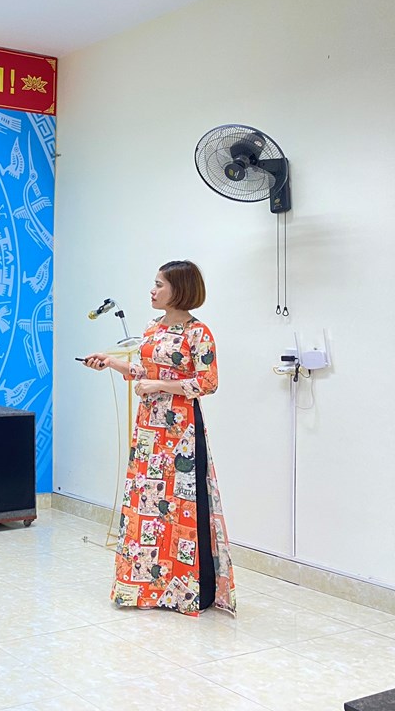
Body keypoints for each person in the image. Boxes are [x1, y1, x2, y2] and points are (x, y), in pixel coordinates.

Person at [82, 260, 236, 617]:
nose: (152, 291)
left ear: (179, 289)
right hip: (149, 428)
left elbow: (207, 382)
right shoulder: (152, 328)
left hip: (182, 430)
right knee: (147, 504)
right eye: (154, 284)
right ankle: (145, 587)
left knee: (182, 505)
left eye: (159, 285)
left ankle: (187, 592)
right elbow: (143, 372)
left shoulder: (198, 333)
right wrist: (111, 362)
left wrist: (160, 386)